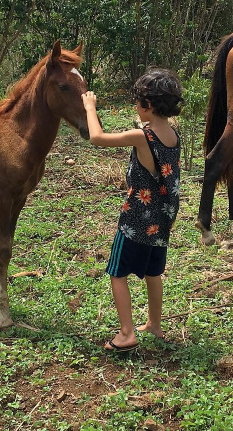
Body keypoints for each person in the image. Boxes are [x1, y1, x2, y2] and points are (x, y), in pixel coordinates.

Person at [82, 68, 183, 352]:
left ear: (148, 105)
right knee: (153, 273)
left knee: (117, 273)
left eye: (137, 101)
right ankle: (154, 324)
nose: (136, 107)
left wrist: (90, 107)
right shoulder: (173, 135)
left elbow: (97, 138)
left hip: (136, 219)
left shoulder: (143, 136)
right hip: (162, 220)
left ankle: (126, 334)